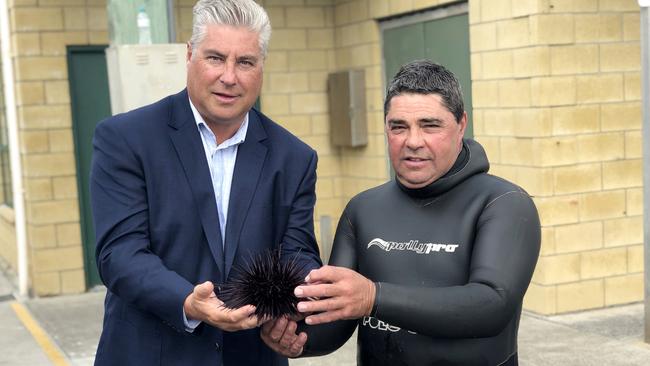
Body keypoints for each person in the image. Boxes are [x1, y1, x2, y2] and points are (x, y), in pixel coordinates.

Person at [261, 60, 541, 365]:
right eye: (399, 127)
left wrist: (373, 297)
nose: (413, 141)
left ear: (461, 124)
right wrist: (296, 338)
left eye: (429, 125)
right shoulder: (363, 209)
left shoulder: (503, 203)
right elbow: (336, 321)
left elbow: (492, 305)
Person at [90, 0, 321, 365]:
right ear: (189, 55)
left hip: (251, 355)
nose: (229, 77)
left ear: (261, 67)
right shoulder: (126, 139)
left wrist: (301, 306)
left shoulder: (294, 158)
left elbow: (297, 254)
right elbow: (119, 253)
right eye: (215, 58)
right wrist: (187, 301)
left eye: (245, 62)